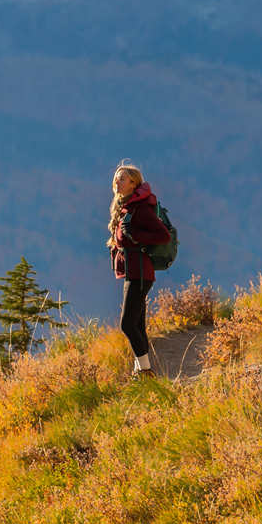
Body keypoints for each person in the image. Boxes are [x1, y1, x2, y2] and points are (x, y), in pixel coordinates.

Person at [108, 161, 169, 377]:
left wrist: (135, 234)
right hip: (134, 272)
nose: (117, 181)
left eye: (122, 178)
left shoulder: (140, 209)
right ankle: (141, 371)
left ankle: (145, 371)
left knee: (127, 324)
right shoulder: (127, 206)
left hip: (141, 273)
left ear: (134, 184)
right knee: (137, 325)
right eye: (116, 177)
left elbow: (164, 235)